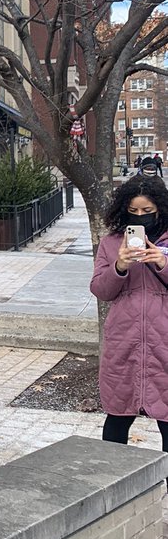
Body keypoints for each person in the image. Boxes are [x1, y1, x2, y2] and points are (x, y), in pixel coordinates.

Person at [90, 176, 168, 454]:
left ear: (160, 207)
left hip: (165, 343)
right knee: (117, 418)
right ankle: (112, 482)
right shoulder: (111, 243)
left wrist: (162, 262)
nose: (140, 217)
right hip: (124, 342)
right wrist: (119, 265)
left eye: (147, 212)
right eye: (133, 212)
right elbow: (101, 290)